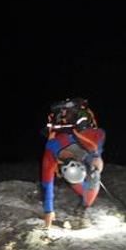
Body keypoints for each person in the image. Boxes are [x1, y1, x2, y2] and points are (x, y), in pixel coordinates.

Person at [41, 98, 106, 229]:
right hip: (77, 151)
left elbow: (101, 134)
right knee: (85, 184)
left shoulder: (88, 138)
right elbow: (47, 183)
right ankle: (84, 203)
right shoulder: (51, 154)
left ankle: (84, 205)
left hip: (85, 148)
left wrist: (97, 155)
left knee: (95, 173)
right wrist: (49, 210)